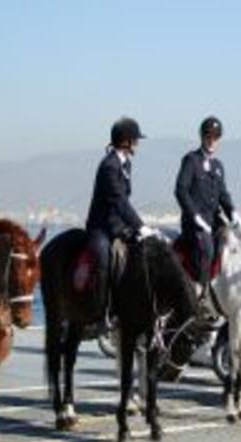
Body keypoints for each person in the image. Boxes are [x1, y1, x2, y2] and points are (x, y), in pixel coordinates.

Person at [86, 117, 156, 327]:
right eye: (135, 139)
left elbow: (124, 202)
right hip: (101, 227)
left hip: (118, 225)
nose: (137, 143)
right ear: (126, 141)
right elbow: (118, 200)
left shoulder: (125, 164)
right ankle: (100, 314)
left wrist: (137, 228)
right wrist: (140, 226)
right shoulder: (109, 166)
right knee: (104, 259)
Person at [175, 116, 238, 300]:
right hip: (194, 224)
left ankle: (220, 288)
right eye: (208, 136)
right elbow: (181, 190)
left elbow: (223, 195)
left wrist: (233, 213)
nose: (212, 140)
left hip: (213, 221)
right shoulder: (191, 160)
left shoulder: (218, 166)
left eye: (215, 137)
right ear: (202, 137)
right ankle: (200, 295)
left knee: (230, 241)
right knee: (207, 248)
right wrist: (194, 215)